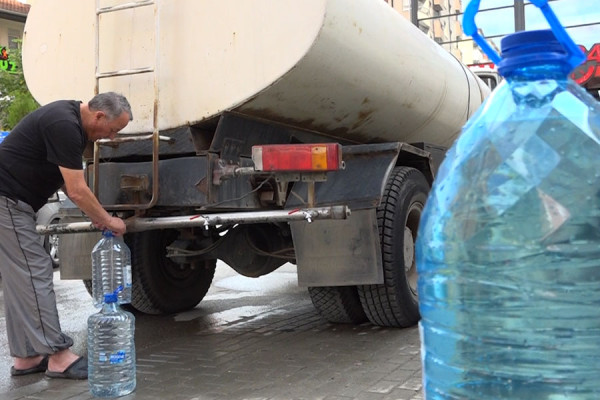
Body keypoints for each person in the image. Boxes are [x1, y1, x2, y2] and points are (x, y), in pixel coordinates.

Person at [0, 92, 132, 379]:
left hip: (10, 202)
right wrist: (108, 220)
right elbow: (76, 190)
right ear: (99, 116)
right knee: (35, 272)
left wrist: (96, 215)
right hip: (6, 201)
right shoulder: (64, 124)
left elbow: (69, 184)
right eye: (113, 129)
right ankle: (58, 357)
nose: (111, 137)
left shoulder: (69, 121)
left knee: (20, 280)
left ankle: (27, 357)